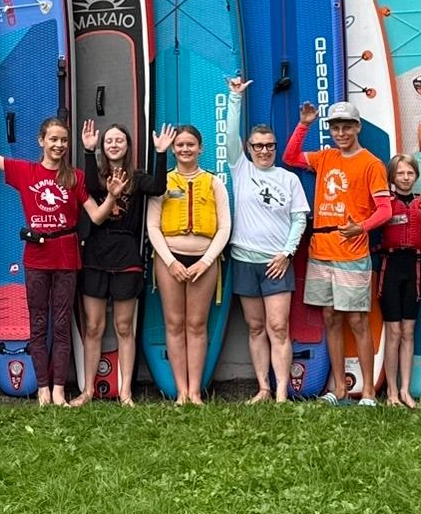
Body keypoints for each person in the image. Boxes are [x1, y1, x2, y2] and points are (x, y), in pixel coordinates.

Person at [0, 87, 124, 407]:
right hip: (36, 256)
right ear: (41, 141)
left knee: (61, 325)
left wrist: (112, 196)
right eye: (53, 139)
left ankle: (60, 389)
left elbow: (96, 215)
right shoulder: (25, 172)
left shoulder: (75, 177)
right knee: (38, 324)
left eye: (63, 140)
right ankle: (43, 389)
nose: (59, 145)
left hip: (66, 257)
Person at [284, 101, 392, 405]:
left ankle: (368, 392)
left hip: (352, 254)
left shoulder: (371, 163)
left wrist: (362, 228)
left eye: (347, 127)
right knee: (330, 317)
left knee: (357, 320)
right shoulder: (326, 157)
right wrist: (304, 124)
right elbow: (290, 157)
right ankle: (340, 389)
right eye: (335, 127)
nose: (341, 133)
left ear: (357, 127)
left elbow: (385, 210)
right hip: (321, 250)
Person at [73, 120, 175, 406]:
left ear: (128, 145)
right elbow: (90, 186)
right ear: (103, 147)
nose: (114, 145)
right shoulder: (96, 176)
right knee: (94, 327)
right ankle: (88, 391)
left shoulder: (138, 177)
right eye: (109, 141)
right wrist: (88, 151)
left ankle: (126, 392)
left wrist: (161, 153)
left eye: (119, 140)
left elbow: (158, 187)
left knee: (124, 327)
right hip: (95, 257)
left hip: (127, 257)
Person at [224, 79, 309, 404]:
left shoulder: (289, 179)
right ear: (248, 148)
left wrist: (287, 253)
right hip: (245, 260)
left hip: (277, 263)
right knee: (256, 327)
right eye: (258, 146)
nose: (264, 150)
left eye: (269, 145)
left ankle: (282, 392)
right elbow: (230, 135)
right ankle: (263, 388)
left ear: (275, 147)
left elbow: (299, 219)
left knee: (278, 327)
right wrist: (235, 98)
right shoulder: (240, 169)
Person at [145, 125, 231, 405]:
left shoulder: (214, 183)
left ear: (200, 148)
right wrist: (170, 262)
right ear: (173, 150)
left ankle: (195, 391)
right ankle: (181, 391)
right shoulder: (163, 183)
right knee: (174, 323)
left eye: (190, 144)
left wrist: (206, 261)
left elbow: (225, 227)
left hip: (204, 262)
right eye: (180, 145)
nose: (185, 149)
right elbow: (152, 226)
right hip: (169, 260)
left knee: (196, 324)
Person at [378, 154, 421, 408]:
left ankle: (406, 390)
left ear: (416, 176)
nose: (405, 178)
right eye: (400, 173)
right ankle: (392, 392)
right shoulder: (385, 202)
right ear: (392, 176)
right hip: (391, 268)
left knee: (408, 331)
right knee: (394, 331)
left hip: (413, 269)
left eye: (410, 173)